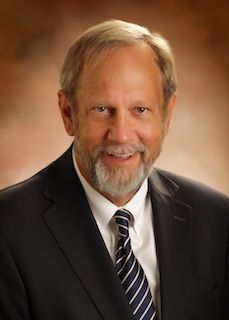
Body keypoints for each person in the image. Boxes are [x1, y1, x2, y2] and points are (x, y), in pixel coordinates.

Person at [0, 19, 228, 320]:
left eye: (141, 110)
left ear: (167, 115)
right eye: (102, 109)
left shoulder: (217, 220)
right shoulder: (8, 230)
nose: (121, 135)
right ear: (68, 113)